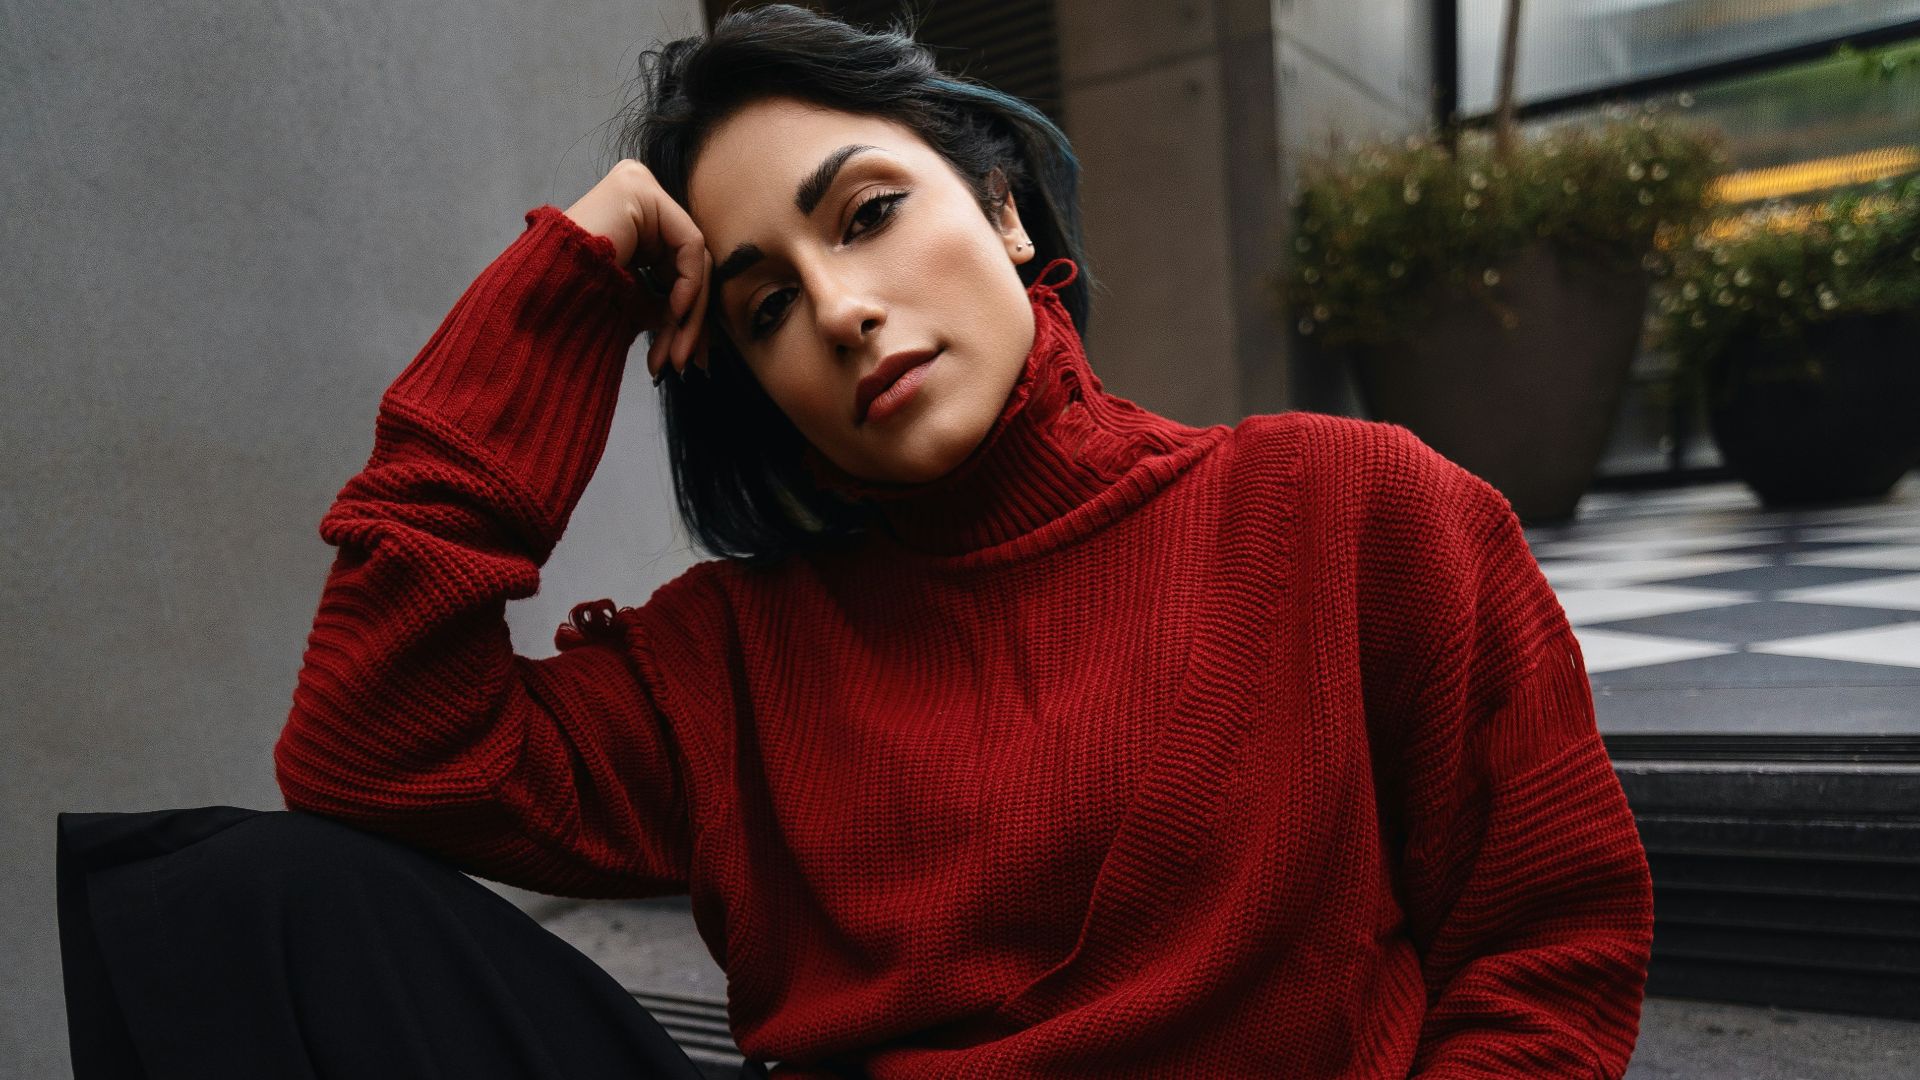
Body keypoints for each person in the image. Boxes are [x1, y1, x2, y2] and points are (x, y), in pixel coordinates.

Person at [56, 3, 1655, 1078]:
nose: (836, 308)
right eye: (761, 303)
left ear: (1010, 208)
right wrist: (574, 283)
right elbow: (370, 748)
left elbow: (1547, 939)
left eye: (867, 211)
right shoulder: (738, 658)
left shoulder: (1351, 511)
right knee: (236, 899)